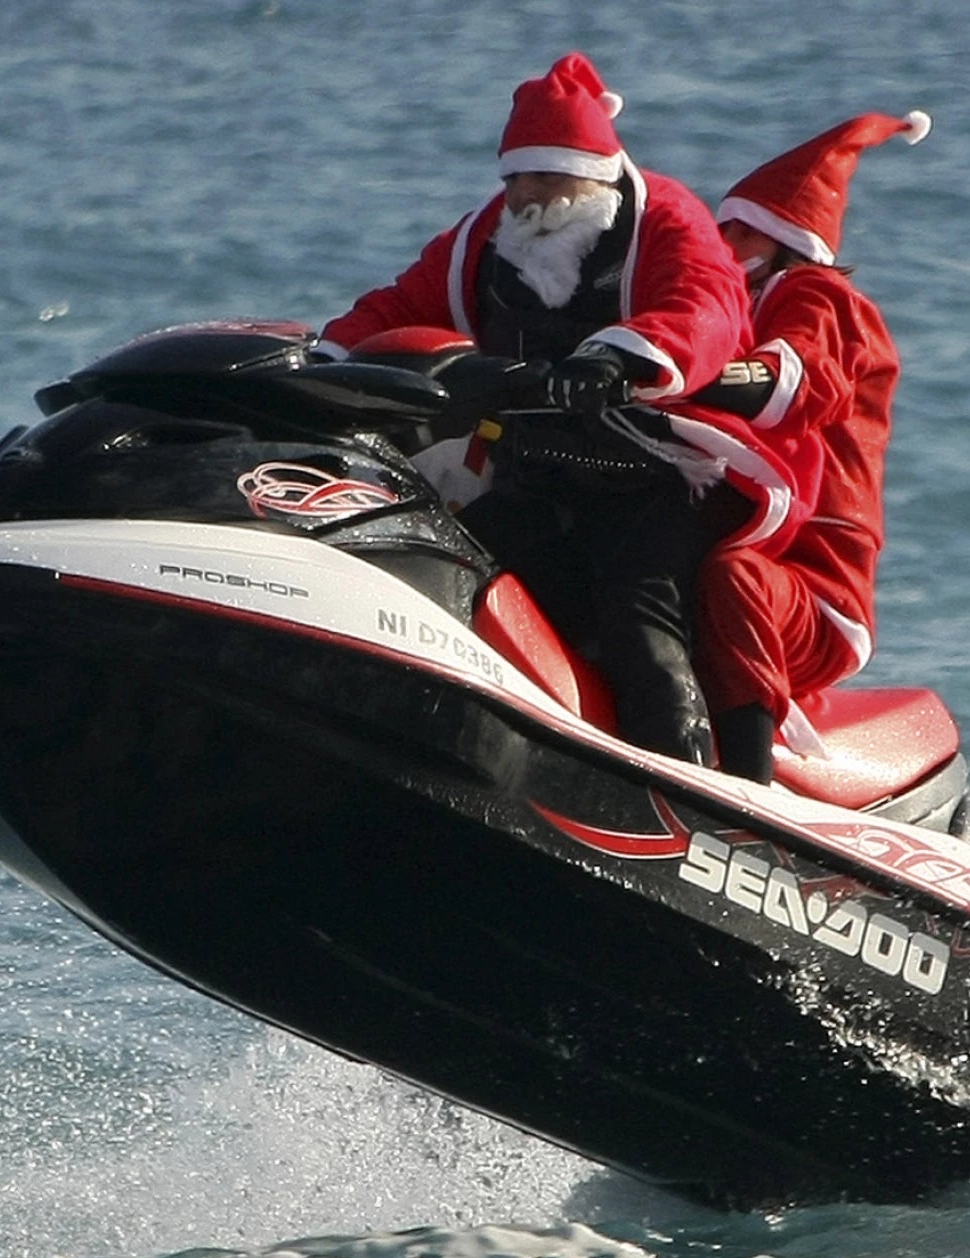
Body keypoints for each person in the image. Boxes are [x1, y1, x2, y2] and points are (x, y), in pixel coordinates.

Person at [318, 54, 809, 765]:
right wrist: (325, 360)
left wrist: (617, 358)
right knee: (446, 573)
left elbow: (705, 308)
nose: (527, 196)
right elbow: (396, 306)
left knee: (640, 623)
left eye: (546, 176)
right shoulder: (484, 237)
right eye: (515, 176)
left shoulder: (667, 218)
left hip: (656, 483)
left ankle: (690, 793)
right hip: (536, 477)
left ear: (595, 174)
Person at [694, 111, 932, 782]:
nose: (724, 242)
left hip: (816, 590)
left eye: (742, 232)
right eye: (724, 228)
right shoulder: (725, 307)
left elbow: (796, 374)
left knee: (730, 576)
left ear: (783, 243)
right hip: (750, 533)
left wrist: (693, 377)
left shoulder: (819, 298)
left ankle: (747, 796)